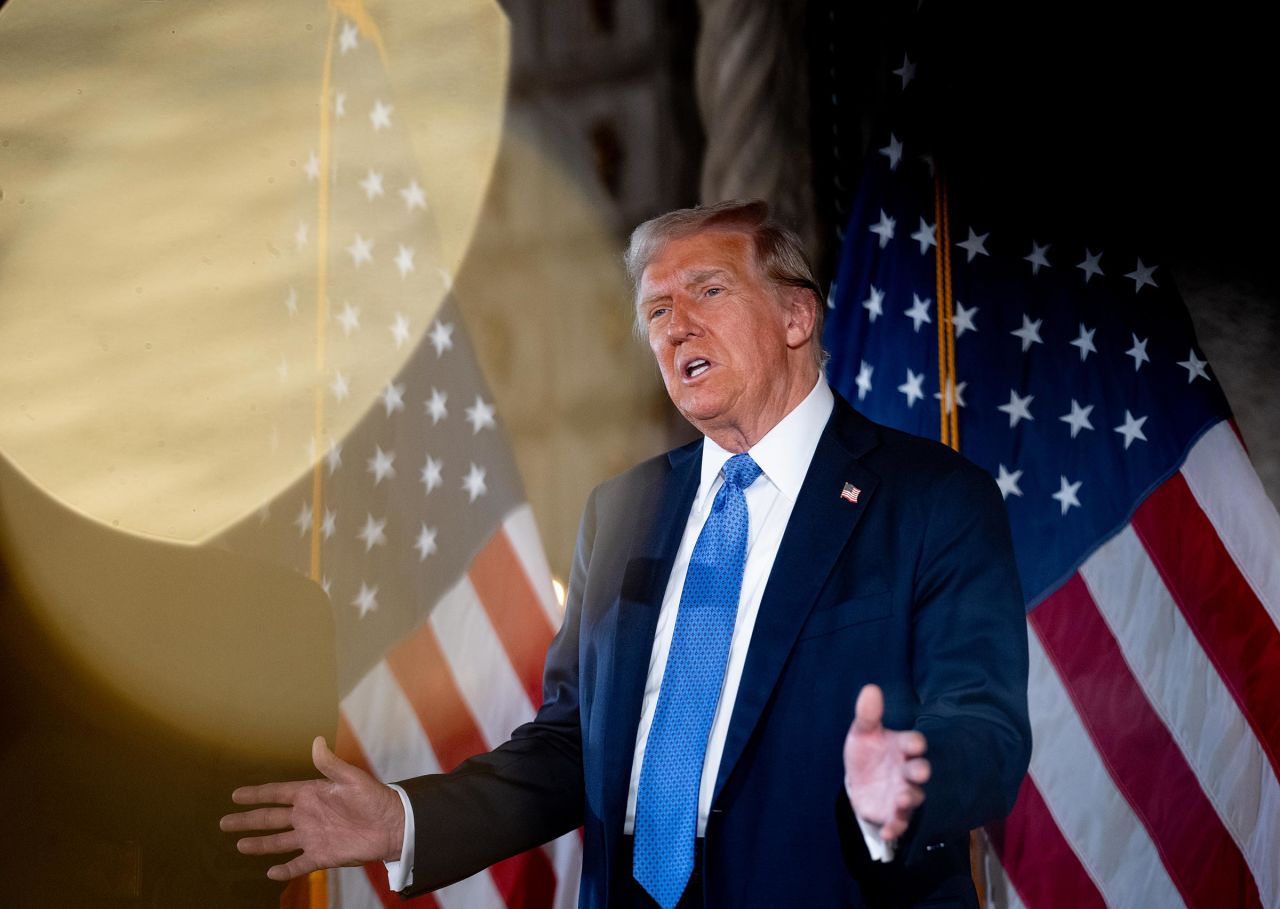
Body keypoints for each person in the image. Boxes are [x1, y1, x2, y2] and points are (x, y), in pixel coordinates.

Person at [222, 200, 1031, 908]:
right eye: (655, 311)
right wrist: (407, 819)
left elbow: (986, 727)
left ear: (796, 317)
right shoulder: (623, 511)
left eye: (708, 291)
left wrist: (909, 778)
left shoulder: (933, 499)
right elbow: (572, 744)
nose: (677, 325)